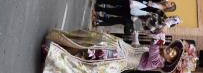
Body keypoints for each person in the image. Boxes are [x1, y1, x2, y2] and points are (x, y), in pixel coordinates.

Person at [41, 29, 187, 72]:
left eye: (172, 54)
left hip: (117, 60)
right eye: (172, 50)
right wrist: (135, 36)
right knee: (92, 43)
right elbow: (136, 48)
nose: (170, 51)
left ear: (168, 61)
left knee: (87, 58)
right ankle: (60, 44)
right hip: (120, 47)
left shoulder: (157, 63)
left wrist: (158, 37)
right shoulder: (156, 53)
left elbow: (153, 50)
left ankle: (52, 55)